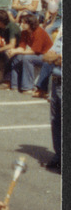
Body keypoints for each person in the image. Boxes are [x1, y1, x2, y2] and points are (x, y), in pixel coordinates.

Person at [42, 33, 62, 170]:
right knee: (55, 120)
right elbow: (46, 56)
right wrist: (57, 58)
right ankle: (59, 155)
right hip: (56, 83)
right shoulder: (62, 37)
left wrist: (57, 58)